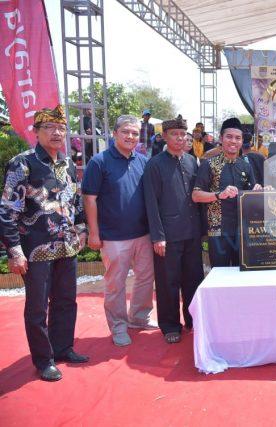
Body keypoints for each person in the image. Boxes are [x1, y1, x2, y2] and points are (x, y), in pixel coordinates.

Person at [0, 105, 89, 381]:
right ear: (36, 132)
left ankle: (63, 348)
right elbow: (7, 211)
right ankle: (44, 360)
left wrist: (82, 229)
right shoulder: (23, 164)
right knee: (37, 308)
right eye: (49, 127)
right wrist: (14, 251)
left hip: (67, 245)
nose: (57, 133)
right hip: (36, 249)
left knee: (66, 301)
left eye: (61, 128)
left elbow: (76, 201)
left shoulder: (67, 163)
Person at [82, 115, 157, 347]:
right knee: (116, 283)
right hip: (113, 236)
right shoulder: (99, 162)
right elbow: (89, 199)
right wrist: (94, 232)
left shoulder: (143, 161)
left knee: (146, 278)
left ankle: (139, 317)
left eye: (135, 133)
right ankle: (118, 326)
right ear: (115, 133)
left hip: (143, 233)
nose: (130, 136)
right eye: (125, 132)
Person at [143, 115, 203, 345]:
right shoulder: (155, 164)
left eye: (182, 134)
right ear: (165, 137)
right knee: (168, 282)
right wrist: (157, 236)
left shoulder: (192, 161)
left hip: (192, 232)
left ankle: (193, 320)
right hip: (168, 235)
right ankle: (169, 325)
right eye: (174, 134)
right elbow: (151, 202)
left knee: (193, 279)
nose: (180, 138)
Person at [192, 117, 262, 266]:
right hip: (217, 231)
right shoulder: (209, 164)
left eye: (238, 138)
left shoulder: (245, 166)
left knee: (241, 273)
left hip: (242, 230)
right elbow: (196, 195)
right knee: (219, 272)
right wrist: (219, 194)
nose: (233, 141)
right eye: (229, 137)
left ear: (242, 141)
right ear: (221, 139)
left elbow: (252, 194)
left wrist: (258, 190)